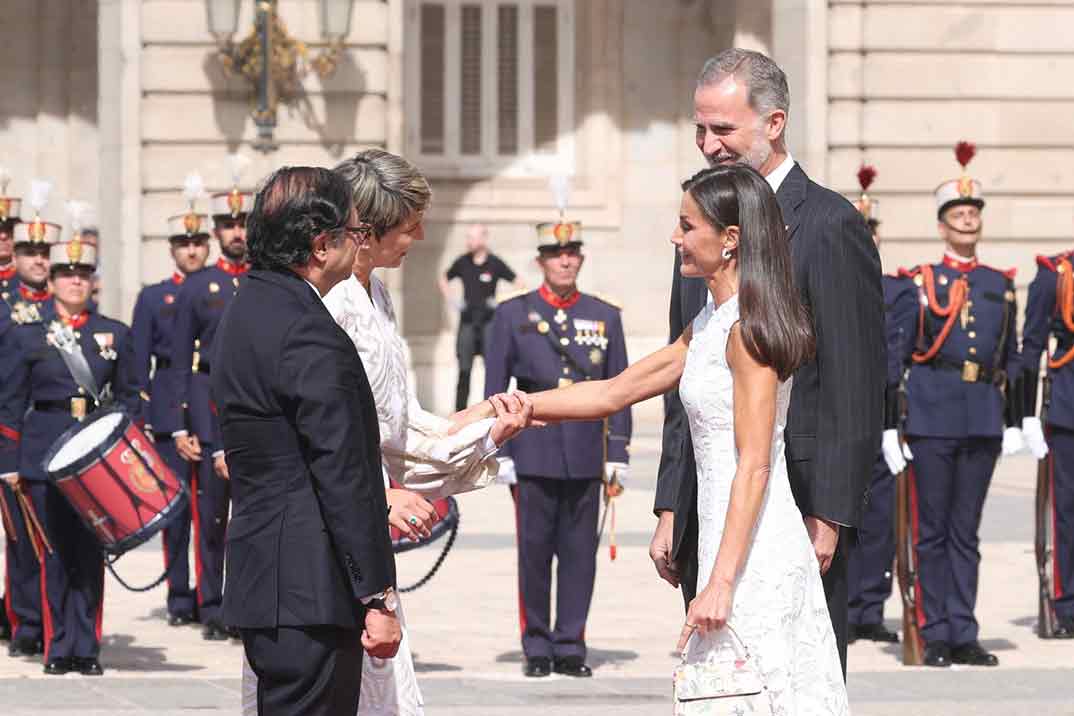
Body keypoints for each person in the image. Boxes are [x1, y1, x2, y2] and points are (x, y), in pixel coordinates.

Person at [511, 165, 847, 712]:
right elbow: (614, 392)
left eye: (687, 226)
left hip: (755, 551)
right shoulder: (711, 321)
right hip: (726, 537)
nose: (675, 238)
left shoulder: (748, 332)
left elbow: (755, 465)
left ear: (730, 240)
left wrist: (720, 581)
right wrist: (518, 407)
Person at [239, 149, 530, 716]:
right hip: (326, 537)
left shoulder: (376, 295)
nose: (420, 235)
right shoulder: (330, 306)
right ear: (365, 233)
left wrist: (480, 425)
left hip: (357, 528)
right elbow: (332, 436)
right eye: (409, 223)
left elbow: (396, 419)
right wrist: (384, 495)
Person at [650, 48, 885, 675]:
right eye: (700, 128)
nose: (708, 144)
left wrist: (830, 516)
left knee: (791, 678)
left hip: (799, 505)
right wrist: (672, 502)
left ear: (774, 123)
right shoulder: (699, 223)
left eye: (723, 129)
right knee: (722, 682)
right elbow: (686, 384)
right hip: (708, 507)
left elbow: (856, 386)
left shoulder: (830, 224)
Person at [213, 166, 400, 716]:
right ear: (322, 246)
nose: (360, 244)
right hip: (311, 589)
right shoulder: (310, 332)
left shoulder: (246, 310)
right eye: (356, 233)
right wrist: (377, 595)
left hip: (266, 578)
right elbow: (343, 473)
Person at [889, 142, 1021, 667]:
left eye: (973, 213)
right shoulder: (919, 283)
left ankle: (964, 629)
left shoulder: (999, 286)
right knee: (932, 529)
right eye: (957, 215)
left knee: (967, 531)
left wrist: (1014, 421)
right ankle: (934, 630)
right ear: (942, 227)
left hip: (982, 417)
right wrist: (888, 424)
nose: (967, 221)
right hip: (931, 413)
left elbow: (1010, 358)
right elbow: (897, 356)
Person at [483, 213, 632, 678]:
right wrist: (500, 451)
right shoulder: (513, 314)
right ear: (541, 261)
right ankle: (537, 645)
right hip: (533, 452)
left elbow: (620, 387)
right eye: (556, 255)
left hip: (586, 454)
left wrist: (618, 453)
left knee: (578, 556)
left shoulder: (605, 315)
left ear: (581, 258)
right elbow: (495, 387)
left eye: (571, 254)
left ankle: (571, 644)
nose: (565, 262)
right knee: (533, 553)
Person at [0, 223, 140, 676]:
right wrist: (9, 464)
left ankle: (87, 647)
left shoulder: (114, 334)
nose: (74, 280)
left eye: (83, 272)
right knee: (53, 556)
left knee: (89, 558)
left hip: (94, 462)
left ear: (92, 280)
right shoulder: (28, 336)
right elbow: (10, 403)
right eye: (65, 273)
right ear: (52, 280)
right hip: (44, 459)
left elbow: (130, 397)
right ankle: (58, 645)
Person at [169, 171, 252, 641]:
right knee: (213, 517)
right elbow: (182, 363)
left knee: (253, 517)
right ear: (216, 231)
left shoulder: (268, 278)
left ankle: (247, 604)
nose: (236, 232)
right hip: (209, 406)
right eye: (228, 224)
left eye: (242, 223)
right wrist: (186, 424)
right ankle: (212, 603)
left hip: (255, 409)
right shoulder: (199, 286)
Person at [129, 206, 211, 627]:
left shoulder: (222, 289)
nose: (192, 251)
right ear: (172, 250)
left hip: (210, 406)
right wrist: (146, 417)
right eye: (184, 244)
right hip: (166, 409)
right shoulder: (153, 296)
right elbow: (138, 363)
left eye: (198, 243)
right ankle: (180, 597)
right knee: (176, 512)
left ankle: (211, 594)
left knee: (211, 512)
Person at [847, 166, 909, 644]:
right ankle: (843, 607)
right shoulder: (827, 283)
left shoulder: (900, 291)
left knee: (881, 519)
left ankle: (870, 608)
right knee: (838, 513)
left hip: (884, 417)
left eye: (871, 231)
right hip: (839, 415)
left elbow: (897, 351)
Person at [0, 208, 54, 658]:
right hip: (8, 423)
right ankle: (19, 617)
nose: (37, 260)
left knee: (34, 534)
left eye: (43, 253)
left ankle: (33, 622)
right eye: (28, 252)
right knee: (17, 538)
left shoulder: (60, 304)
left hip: (35, 429)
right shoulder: (4, 302)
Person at [1018, 236, 1074, 639]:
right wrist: (1026, 415)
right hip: (1070, 410)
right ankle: (1066, 604)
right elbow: (1032, 345)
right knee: (1067, 515)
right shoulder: (1056, 274)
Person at [440, 224, 521, 411]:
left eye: (472, 237)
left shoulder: (495, 263)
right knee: (464, 370)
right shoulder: (462, 262)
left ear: (483, 239)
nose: (468, 241)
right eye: (467, 237)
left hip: (489, 323)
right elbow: (443, 278)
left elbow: (519, 283)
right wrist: (453, 300)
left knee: (492, 370)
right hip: (467, 322)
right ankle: (460, 412)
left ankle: (492, 410)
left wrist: (499, 301)